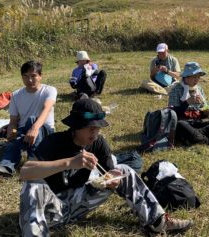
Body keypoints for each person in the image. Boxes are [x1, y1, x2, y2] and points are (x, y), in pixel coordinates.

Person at [19, 98, 193, 236]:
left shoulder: (98, 143)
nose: (95, 133)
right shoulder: (54, 142)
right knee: (33, 186)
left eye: (98, 128)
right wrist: (69, 162)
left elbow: (111, 172)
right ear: (76, 126)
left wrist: (113, 178)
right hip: (49, 212)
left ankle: (157, 222)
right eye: (90, 128)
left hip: (79, 204)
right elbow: (25, 172)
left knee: (125, 170)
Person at [0, 61, 57, 179]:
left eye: (33, 76)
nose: (30, 80)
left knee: (32, 120)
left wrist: (34, 128)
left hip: (44, 130)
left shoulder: (49, 90)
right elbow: (13, 121)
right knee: (13, 144)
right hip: (24, 131)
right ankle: (4, 168)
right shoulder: (16, 95)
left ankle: (35, 164)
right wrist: (12, 132)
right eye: (26, 76)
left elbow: (47, 109)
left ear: (40, 76)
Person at [167, 62, 209, 146]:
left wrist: (206, 112)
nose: (197, 80)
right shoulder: (176, 89)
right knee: (180, 125)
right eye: (194, 77)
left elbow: (202, 110)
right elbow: (172, 113)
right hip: (184, 123)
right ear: (186, 77)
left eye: (198, 77)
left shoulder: (198, 88)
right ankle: (208, 141)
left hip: (197, 122)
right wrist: (187, 102)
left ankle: (194, 137)